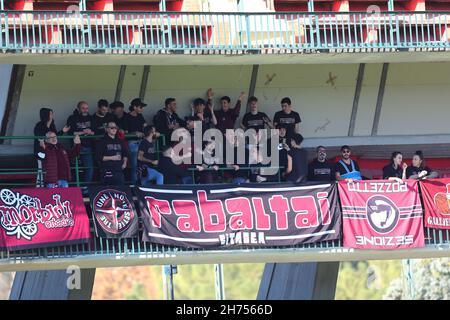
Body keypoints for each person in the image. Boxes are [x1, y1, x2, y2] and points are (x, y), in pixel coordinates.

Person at [33, 108, 70, 186]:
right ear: (46, 115)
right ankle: (39, 187)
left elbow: (55, 136)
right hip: (42, 151)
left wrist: (62, 131)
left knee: (52, 170)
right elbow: (42, 137)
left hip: (52, 152)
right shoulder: (39, 125)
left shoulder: (52, 124)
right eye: (50, 114)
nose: (52, 115)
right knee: (41, 169)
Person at [65, 101, 95, 190]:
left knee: (89, 168)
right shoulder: (72, 118)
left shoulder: (91, 118)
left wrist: (91, 132)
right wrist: (83, 132)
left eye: (87, 108)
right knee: (74, 169)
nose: (85, 110)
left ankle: (84, 190)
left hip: (88, 147)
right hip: (75, 147)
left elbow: (97, 131)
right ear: (78, 109)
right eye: (83, 108)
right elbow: (70, 132)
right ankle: (75, 189)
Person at [95, 122, 129, 186]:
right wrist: (112, 157)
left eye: (115, 128)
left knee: (120, 189)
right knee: (108, 190)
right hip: (107, 169)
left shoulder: (120, 141)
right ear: (107, 129)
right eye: (112, 128)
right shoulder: (102, 141)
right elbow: (98, 157)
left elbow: (125, 153)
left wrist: (124, 163)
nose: (114, 129)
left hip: (119, 169)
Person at [125, 98, 148, 185]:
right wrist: (134, 133)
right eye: (140, 107)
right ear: (134, 107)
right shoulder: (127, 117)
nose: (142, 109)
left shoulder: (140, 116)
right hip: (132, 143)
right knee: (134, 165)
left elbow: (145, 127)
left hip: (141, 143)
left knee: (143, 164)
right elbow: (125, 132)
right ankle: (135, 186)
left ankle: (143, 184)